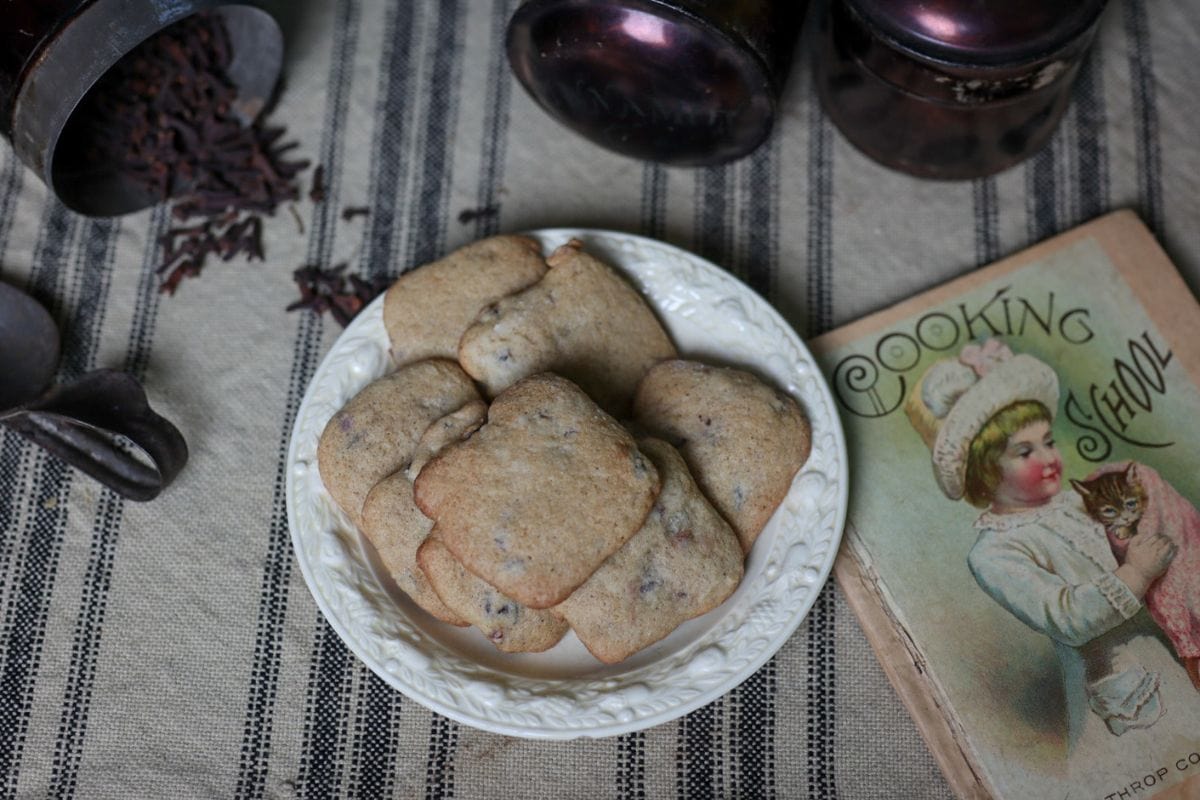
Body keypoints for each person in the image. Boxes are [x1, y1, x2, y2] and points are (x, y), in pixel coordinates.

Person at [905, 339, 1196, 758]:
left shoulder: (1082, 501)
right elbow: (1065, 617)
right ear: (984, 476)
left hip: (1169, 652)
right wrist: (1136, 573)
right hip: (1121, 685)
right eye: (1025, 451)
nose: (1048, 458)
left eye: (1048, 441)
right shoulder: (995, 553)